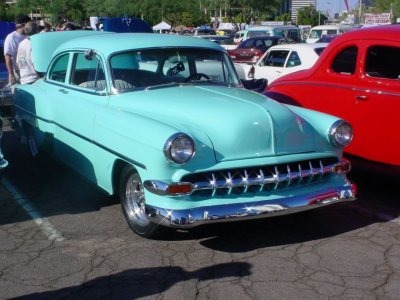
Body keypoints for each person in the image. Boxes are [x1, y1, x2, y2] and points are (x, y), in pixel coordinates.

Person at [4, 14, 31, 86]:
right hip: (18, 72)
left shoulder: (29, 36)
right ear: (23, 25)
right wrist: (11, 74)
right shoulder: (12, 37)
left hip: (30, 71)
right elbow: (8, 56)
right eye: (29, 24)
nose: (30, 26)